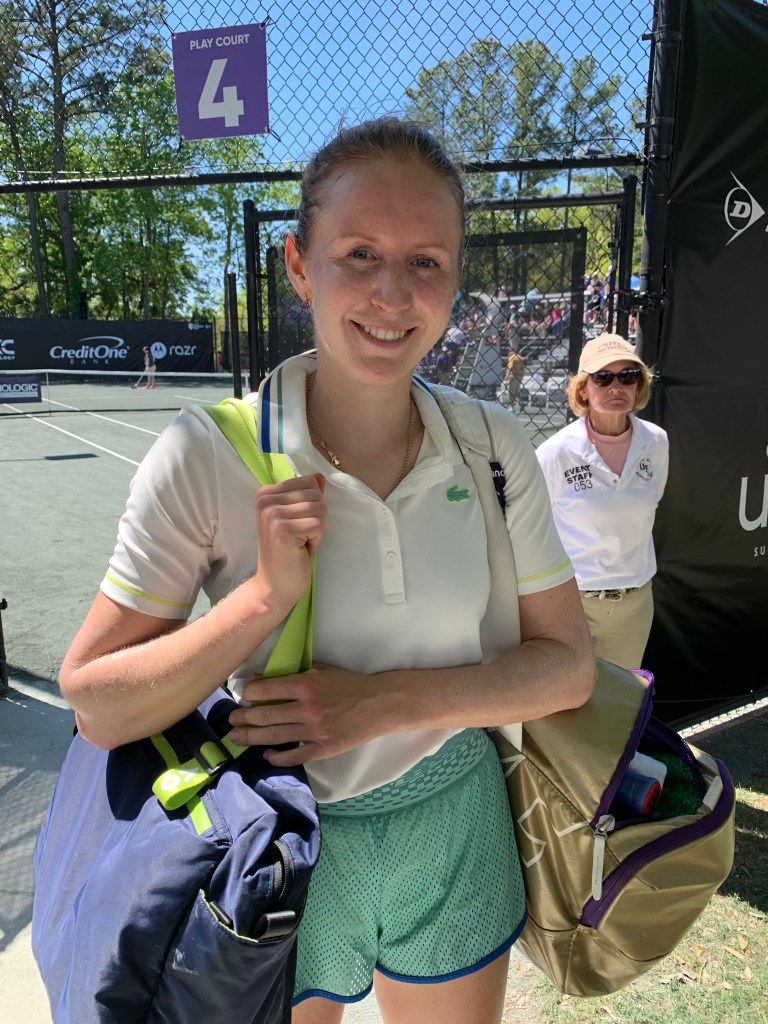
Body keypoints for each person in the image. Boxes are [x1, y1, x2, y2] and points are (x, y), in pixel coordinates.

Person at [59, 115, 595, 1024]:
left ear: (454, 280)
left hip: (454, 818)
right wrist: (264, 598)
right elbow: (97, 704)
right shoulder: (207, 451)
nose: (393, 293)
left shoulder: (492, 445)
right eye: (358, 254)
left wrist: (384, 705)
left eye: (425, 261)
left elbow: (569, 667)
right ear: (300, 265)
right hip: (287, 837)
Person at [535, 333, 669, 672]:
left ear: (639, 385)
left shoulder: (657, 442)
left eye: (628, 376)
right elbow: (532, 527)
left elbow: (653, 499)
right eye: (603, 377)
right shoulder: (554, 453)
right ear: (583, 388)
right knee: (564, 696)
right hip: (570, 603)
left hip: (633, 604)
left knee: (621, 698)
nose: (616, 386)